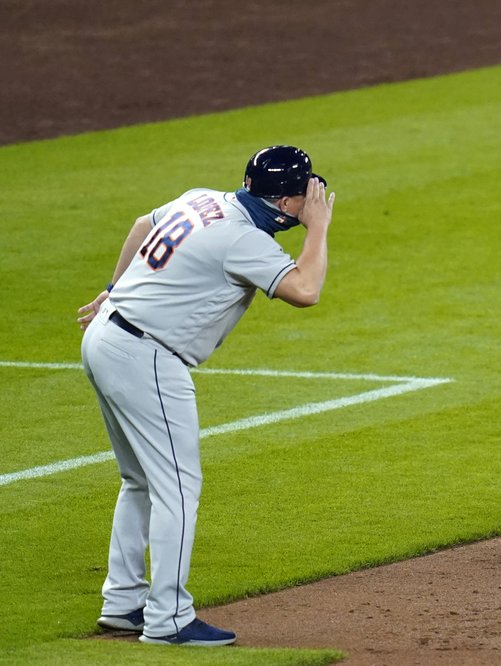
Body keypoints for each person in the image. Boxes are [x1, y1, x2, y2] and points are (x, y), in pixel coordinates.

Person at [77, 145, 336, 644]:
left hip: (107, 335)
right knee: (177, 489)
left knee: (139, 481)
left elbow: (139, 225)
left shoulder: (201, 199)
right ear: (286, 204)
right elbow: (305, 290)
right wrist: (320, 228)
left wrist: (116, 287)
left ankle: (124, 601)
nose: (314, 200)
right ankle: (168, 619)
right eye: (308, 195)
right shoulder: (242, 240)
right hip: (146, 356)